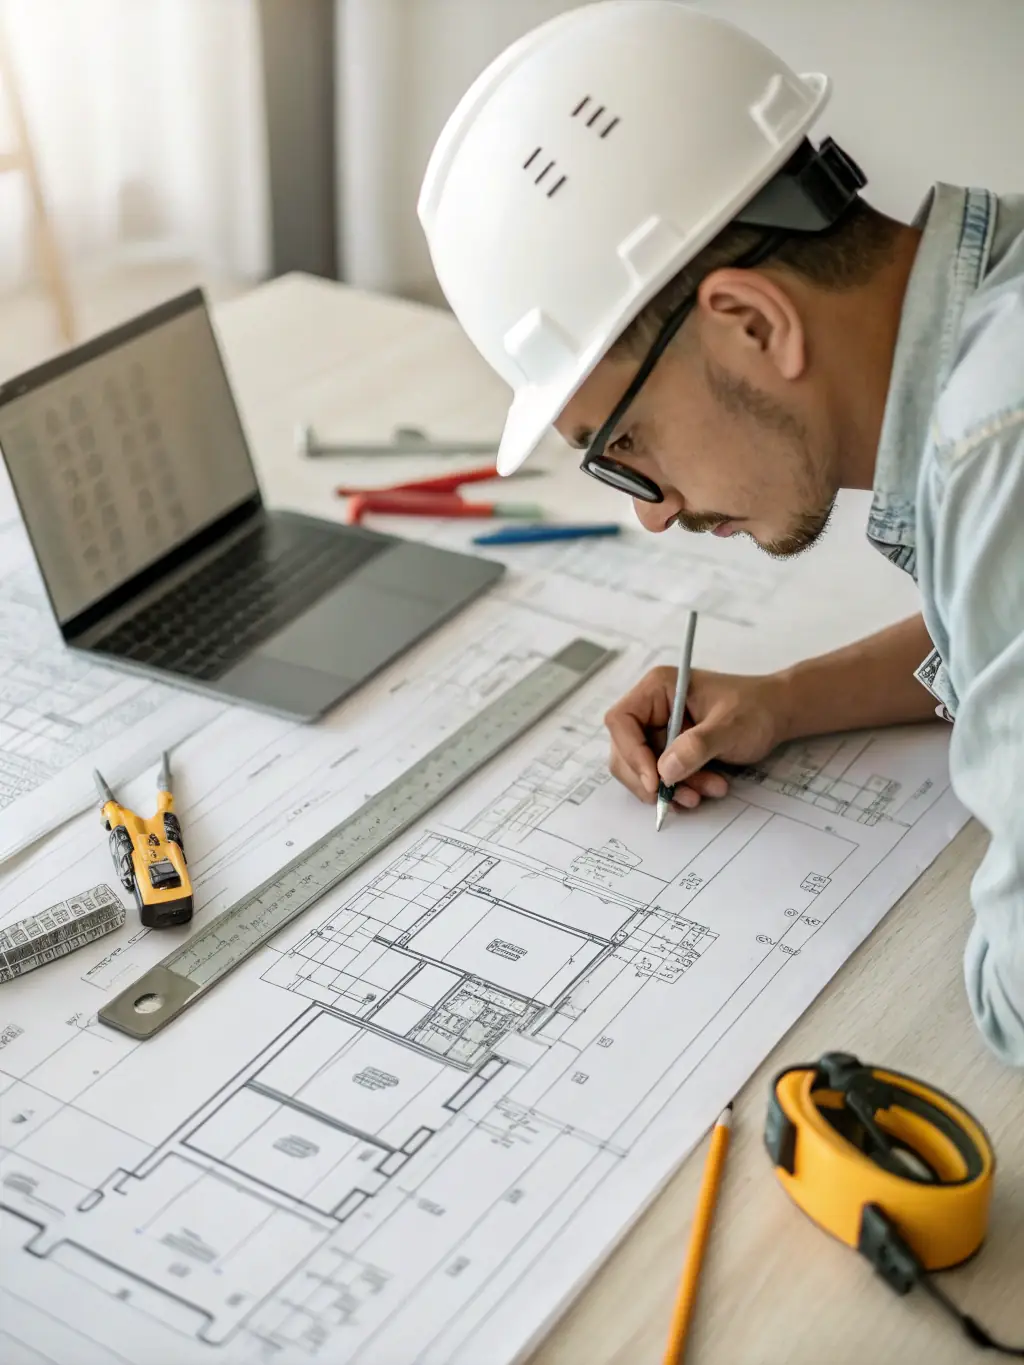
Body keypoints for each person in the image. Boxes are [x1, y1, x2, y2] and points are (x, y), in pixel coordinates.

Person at [416, 1, 1024, 1066]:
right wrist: (787, 700)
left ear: (752, 323)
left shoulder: (997, 447)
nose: (651, 507)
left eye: (623, 441)